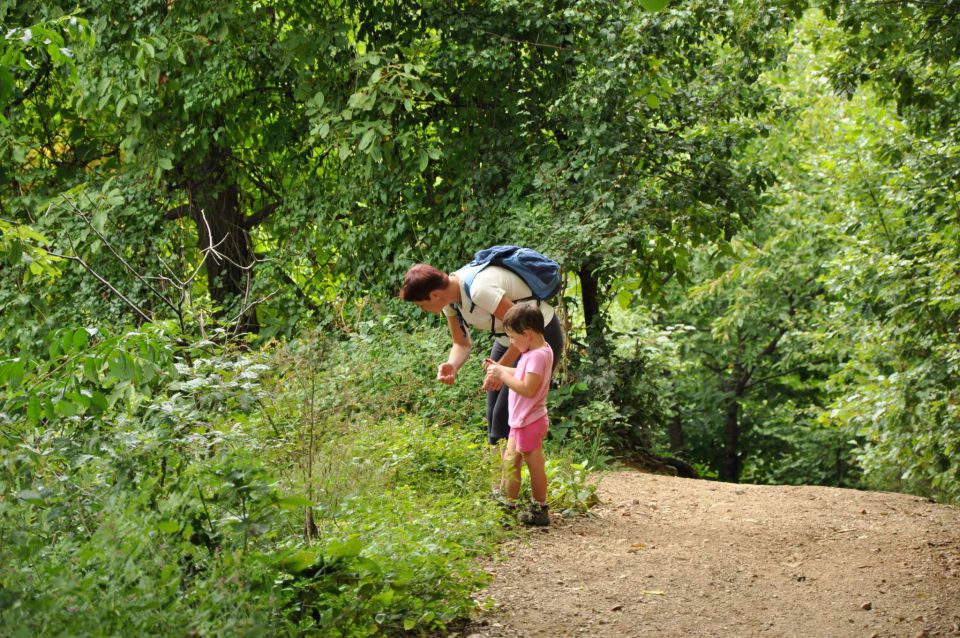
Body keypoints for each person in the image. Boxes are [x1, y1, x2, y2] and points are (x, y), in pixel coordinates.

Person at [399, 260, 564, 447]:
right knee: (493, 414)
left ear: (434, 294)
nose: (423, 309)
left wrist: (500, 370)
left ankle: (513, 471)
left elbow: (522, 327)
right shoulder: (449, 300)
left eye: (421, 305)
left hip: (535, 336)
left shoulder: (479, 290)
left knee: (505, 414)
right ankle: (500, 471)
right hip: (510, 339)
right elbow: (461, 342)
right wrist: (452, 365)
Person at [482, 304, 553, 526]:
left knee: (533, 466)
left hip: (528, 422)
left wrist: (502, 374)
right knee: (510, 462)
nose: (511, 343)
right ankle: (507, 506)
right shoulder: (539, 350)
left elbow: (527, 388)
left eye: (512, 337)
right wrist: (499, 368)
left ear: (527, 334)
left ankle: (539, 509)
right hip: (523, 420)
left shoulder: (536, 357)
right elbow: (524, 375)